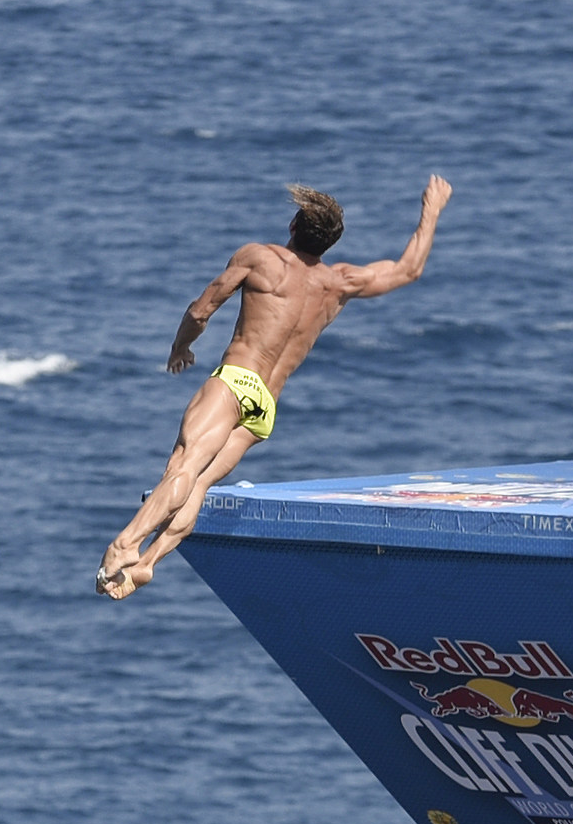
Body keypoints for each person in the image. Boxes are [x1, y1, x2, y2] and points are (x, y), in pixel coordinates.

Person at [95, 176, 454, 599]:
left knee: (183, 468)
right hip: (264, 408)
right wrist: (431, 209)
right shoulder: (338, 283)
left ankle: (126, 545)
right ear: (329, 244)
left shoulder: (260, 259)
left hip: (234, 383)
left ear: (292, 225)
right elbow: (408, 269)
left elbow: (201, 310)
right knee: (199, 485)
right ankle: (149, 564)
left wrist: (180, 348)